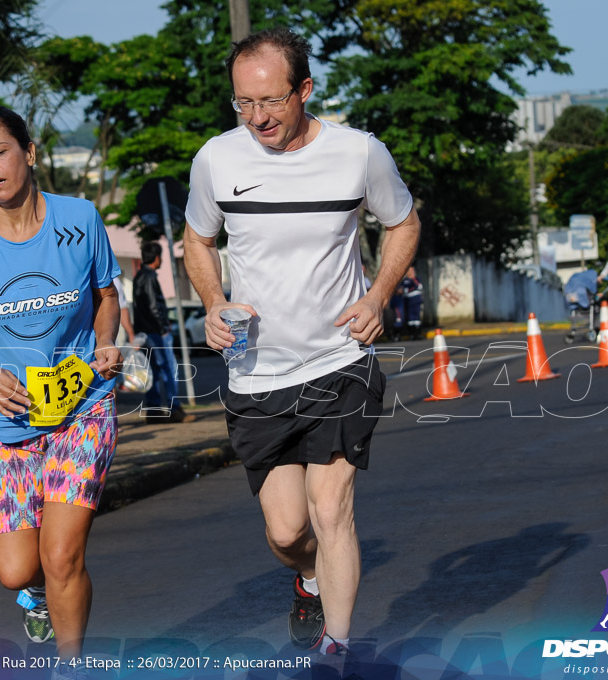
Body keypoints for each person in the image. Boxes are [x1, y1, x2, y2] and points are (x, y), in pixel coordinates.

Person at [182, 28, 420, 656]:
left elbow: (403, 223)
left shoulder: (360, 154)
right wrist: (213, 303)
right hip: (256, 372)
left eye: (272, 101)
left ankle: (337, 652)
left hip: (338, 360)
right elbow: (197, 240)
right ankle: (307, 578)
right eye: (244, 104)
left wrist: (377, 297)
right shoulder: (217, 159)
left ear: (305, 90)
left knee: (331, 506)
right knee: (288, 530)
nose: (258, 118)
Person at [0, 106, 122, 659]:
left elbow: (107, 293)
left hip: (82, 404)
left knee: (61, 555)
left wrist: (106, 341)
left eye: (0, 152)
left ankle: (72, 666)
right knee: (17, 571)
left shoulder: (79, 218)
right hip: (4, 417)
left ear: (29, 153)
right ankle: (35, 594)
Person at [131, 242, 193, 423]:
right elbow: (153, 306)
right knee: (170, 369)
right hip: (156, 332)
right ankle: (175, 409)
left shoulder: (138, 276)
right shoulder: (149, 277)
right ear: (157, 257)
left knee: (152, 371)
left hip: (144, 331)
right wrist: (163, 327)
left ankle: (154, 410)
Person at [389, 265, 423, 341]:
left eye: (413, 271)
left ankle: (417, 333)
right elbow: (403, 290)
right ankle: (404, 334)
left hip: (416, 302)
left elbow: (419, 287)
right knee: (403, 319)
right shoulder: (404, 281)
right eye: (410, 271)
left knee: (416, 318)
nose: (412, 272)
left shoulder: (416, 279)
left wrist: (413, 281)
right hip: (407, 302)